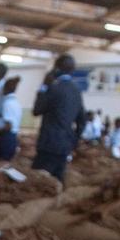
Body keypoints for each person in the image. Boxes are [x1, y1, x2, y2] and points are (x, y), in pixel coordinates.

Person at [31, 54, 87, 182]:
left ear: (56, 68)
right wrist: (74, 140)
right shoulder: (76, 91)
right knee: (57, 181)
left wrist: (43, 86)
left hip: (48, 144)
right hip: (65, 145)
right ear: (72, 70)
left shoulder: (53, 88)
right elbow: (82, 120)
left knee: (38, 182)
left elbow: (36, 110)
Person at [0, 76, 22, 161]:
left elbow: (8, 126)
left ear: (5, 89)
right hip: (13, 137)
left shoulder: (7, 103)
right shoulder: (17, 103)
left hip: (7, 138)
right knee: (7, 163)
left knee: (2, 163)